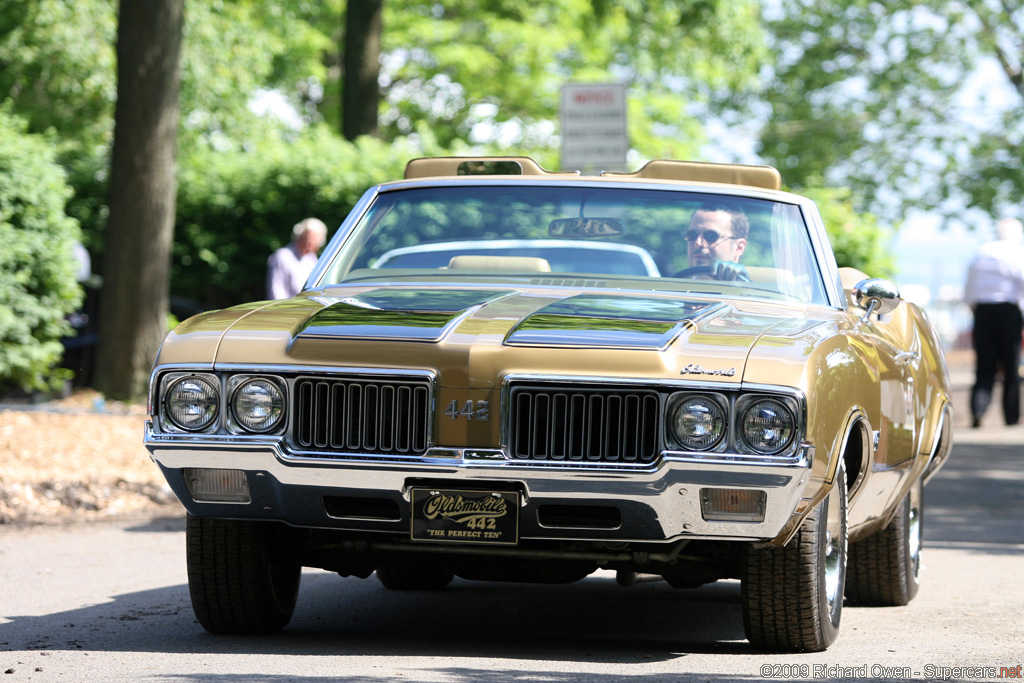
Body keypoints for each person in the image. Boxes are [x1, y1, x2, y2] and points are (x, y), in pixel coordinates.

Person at [963, 217, 1024, 427]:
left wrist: (974, 309)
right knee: (1011, 365)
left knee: (984, 365)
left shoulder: (981, 252)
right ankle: (1011, 416)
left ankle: (978, 409)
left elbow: (970, 287)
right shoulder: (1017, 252)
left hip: (983, 311)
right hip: (1009, 311)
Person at [266, 217, 328, 299]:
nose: (313, 245)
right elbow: (276, 290)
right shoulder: (283, 256)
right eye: (308, 240)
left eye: (317, 242)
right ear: (299, 237)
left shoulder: (312, 258)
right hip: (288, 309)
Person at [683, 205, 749, 280]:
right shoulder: (672, 288)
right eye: (692, 235)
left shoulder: (751, 291)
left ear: (738, 248)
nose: (698, 243)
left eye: (711, 236)